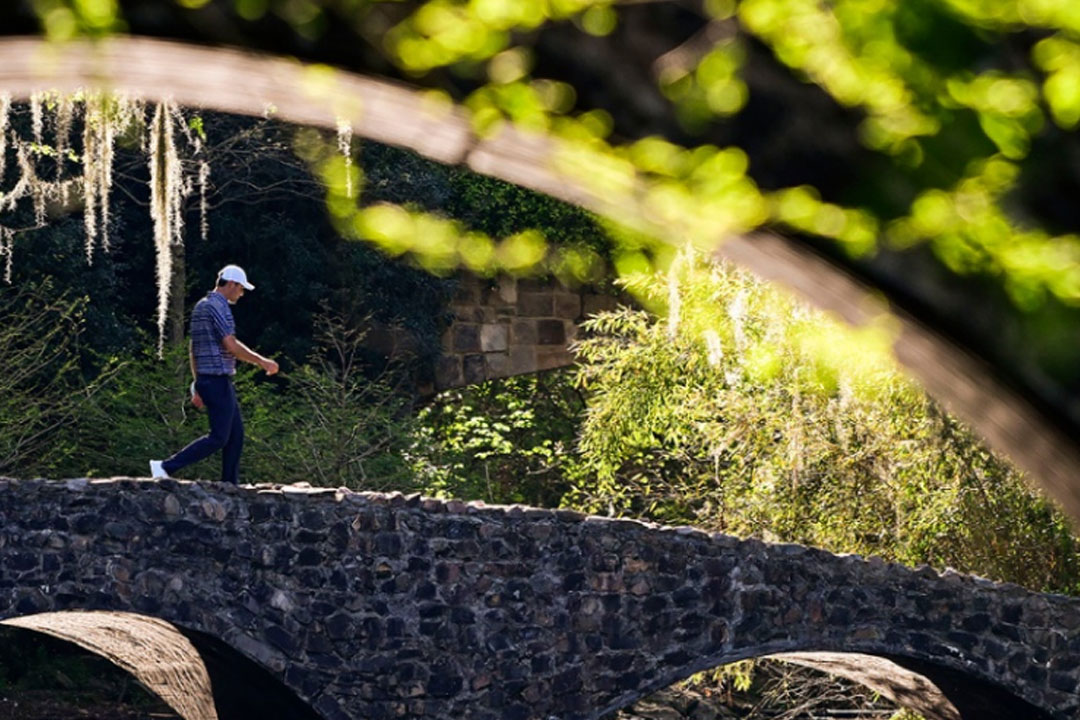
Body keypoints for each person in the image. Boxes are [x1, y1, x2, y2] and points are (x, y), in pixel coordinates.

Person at [150, 264, 278, 484]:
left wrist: (197, 384)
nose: (241, 293)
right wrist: (261, 361)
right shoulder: (219, 307)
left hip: (209, 380)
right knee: (219, 437)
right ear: (231, 284)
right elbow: (230, 344)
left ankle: (230, 483)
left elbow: (194, 349)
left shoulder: (201, 306)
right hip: (217, 379)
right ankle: (165, 466)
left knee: (235, 436)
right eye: (240, 288)